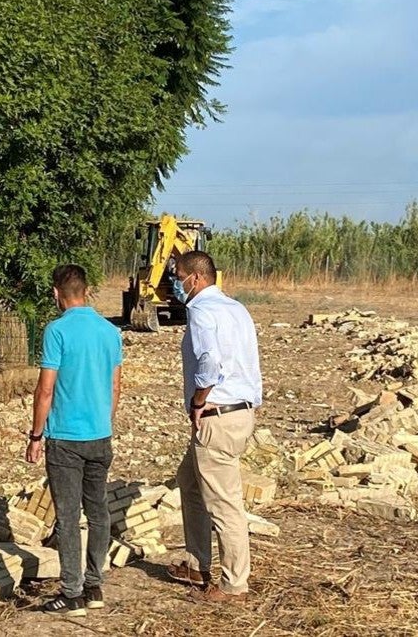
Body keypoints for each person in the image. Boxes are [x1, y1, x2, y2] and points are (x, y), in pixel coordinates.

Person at [24, 264, 123, 617]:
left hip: (65, 437)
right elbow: (115, 387)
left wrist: (36, 435)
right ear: (87, 291)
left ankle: (71, 592)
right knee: (98, 511)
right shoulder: (110, 331)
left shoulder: (56, 331)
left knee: (67, 516)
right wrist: (103, 423)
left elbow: (45, 388)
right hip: (100, 435)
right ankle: (95, 585)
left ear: (56, 293)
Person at [166, 250, 262, 603]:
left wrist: (198, 400)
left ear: (196, 277)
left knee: (224, 504)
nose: (176, 283)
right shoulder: (236, 309)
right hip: (240, 411)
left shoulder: (202, 311)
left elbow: (210, 362)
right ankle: (197, 562)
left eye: (178, 276)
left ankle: (235, 584)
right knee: (189, 481)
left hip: (216, 415)